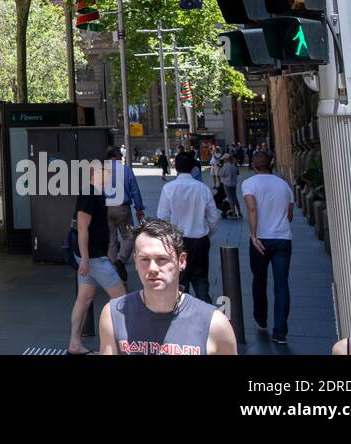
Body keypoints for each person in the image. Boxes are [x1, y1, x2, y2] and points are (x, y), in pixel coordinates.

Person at [99, 219, 237, 355]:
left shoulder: (214, 324)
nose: (152, 268)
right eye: (144, 259)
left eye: (162, 259)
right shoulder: (113, 315)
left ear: (181, 261)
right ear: (135, 261)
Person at [68, 160, 127, 355]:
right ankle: (117, 344)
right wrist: (85, 258)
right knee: (121, 296)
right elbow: (82, 227)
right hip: (92, 257)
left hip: (93, 256)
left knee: (84, 298)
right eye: (105, 171)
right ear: (95, 174)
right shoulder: (89, 194)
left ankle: (75, 344)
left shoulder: (96, 193)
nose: (109, 175)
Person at [242, 152, 294, 344]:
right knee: (281, 284)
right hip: (282, 239)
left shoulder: (249, 184)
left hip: (261, 239)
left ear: (253, 165)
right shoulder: (283, 185)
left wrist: (253, 235)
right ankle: (280, 332)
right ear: (270, 163)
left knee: (259, 279)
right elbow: (289, 215)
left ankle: (261, 319)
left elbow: (252, 209)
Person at [155, 151, 220, 302]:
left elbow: (162, 217)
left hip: (177, 240)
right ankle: (206, 314)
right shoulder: (202, 188)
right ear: (193, 168)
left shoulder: (169, 188)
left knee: (179, 280)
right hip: (200, 239)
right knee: (200, 278)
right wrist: (206, 234)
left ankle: (181, 316)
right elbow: (214, 218)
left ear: (175, 167)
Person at [104, 147, 145, 282]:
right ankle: (120, 260)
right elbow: (135, 189)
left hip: (106, 208)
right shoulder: (126, 170)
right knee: (130, 236)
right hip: (122, 208)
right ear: (116, 157)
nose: (121, 158)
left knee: (111, 240)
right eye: (120, 156)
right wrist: (139, 208)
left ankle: (113, 272)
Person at [220, 154, 241, 219]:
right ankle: (239, 212)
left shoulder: (225, 166)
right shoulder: (234, 165)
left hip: (227, 183)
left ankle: (234, 213)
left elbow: (221, 174)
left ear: (225, 159)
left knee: (230, 198)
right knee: (235, 197)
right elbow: (237, 173)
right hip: (233, 184)